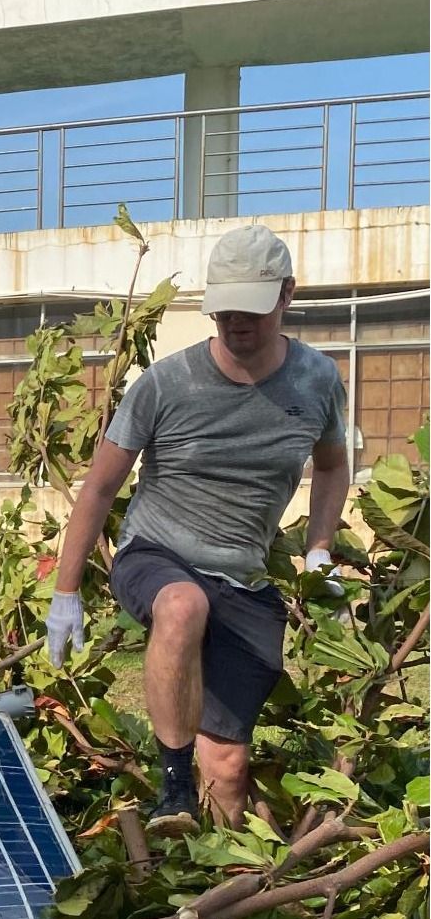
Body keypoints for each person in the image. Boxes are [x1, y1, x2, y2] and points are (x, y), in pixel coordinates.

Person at [46, 224, 351, 833]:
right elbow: (99, 487)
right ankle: (173, 787)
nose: (235, 323)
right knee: (183, 605)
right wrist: (66, 591)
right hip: (156, 553)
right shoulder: (167, 383)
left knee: (229, 769)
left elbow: (332, 466)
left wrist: (319, 551)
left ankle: (208, 872)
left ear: (286, 294)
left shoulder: (316, 380)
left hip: (243, 580)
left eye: (250, 310)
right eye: (224, 310)